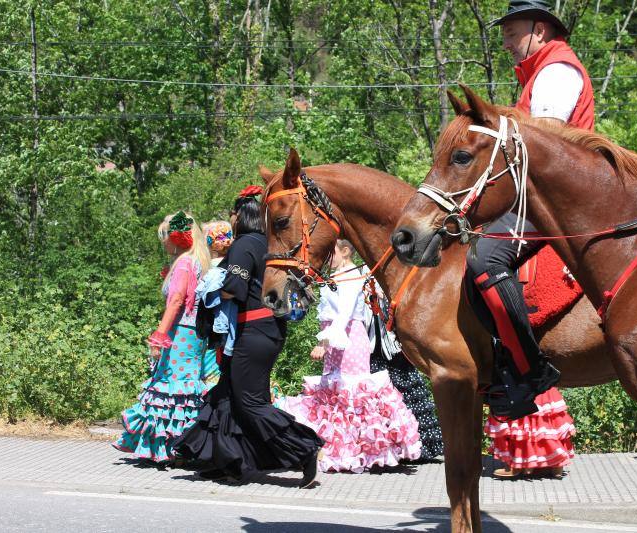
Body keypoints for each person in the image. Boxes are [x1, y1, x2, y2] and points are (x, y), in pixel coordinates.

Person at [465, 0, 592, 477]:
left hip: (554, 202)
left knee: (483, 260)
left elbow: (545, 143)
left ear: (540, 31)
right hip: (537, 197)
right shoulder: (541, 72)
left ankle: (528, 368)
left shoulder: (557, 72)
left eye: (513, 33)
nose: (506, 42)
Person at [173, 186, 323, 488]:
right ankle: (225, 460)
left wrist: (208, 291)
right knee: (225, 395)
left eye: (232, 214)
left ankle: (303, 449)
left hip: (254, 331)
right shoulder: (267, 242)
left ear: (240, 216)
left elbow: (234, 290)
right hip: (265, 330)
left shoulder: (243, 246)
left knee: (250, 402)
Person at [283, 240, 421, 472]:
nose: (327, 258)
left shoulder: (351, 276)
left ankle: (364, 452)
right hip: (337, 339)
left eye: (331, 253)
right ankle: (341, 451)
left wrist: (324, 342)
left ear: (345, 252)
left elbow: (345, 313)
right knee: (337, 396)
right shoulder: (336, 276)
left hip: (348, 340)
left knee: (353, 395)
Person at [113, 212, 212, 464]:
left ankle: (170, 447)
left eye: (165, 235)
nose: (163, 242)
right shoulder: (196, 262)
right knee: (183, 388)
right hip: (193, 334)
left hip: (181, 333)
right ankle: (180, 445)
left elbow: (177, 300)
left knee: (172, 387)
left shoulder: (183, 263)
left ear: (177, 237)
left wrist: (159, 337)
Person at [366, 283, 444, 461]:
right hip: (373, 340)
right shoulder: (362, 276)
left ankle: (422, 445)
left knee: (407, 387)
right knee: (380, 397)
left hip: (393, 339)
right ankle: (388, 448)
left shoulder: (392, 277)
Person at [199, 220, 234, 386]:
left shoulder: (211, 269)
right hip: (233, 324)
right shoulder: (234, 266)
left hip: (215, 326)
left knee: (215, 365)